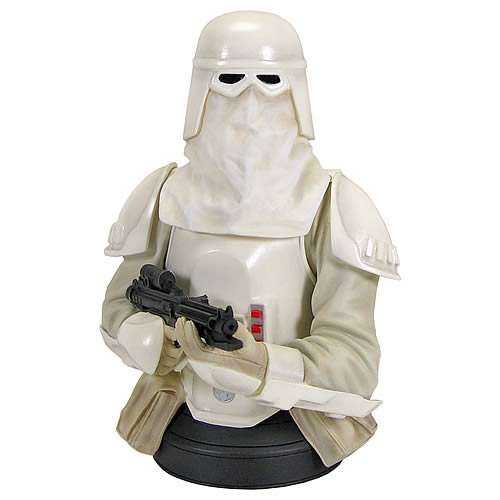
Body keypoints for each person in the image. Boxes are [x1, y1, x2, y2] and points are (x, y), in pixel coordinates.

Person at [101, 11, 399, 488]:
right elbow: (120, 305)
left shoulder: (333, 205)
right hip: (177, 412)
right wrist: (147, 338)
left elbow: (354, 359)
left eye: (270, 82)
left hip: (299, 426)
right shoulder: (162, 196)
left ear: (296, 91)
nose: (249, 101)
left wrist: (264, 366)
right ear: (200, 92)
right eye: (228, 81)